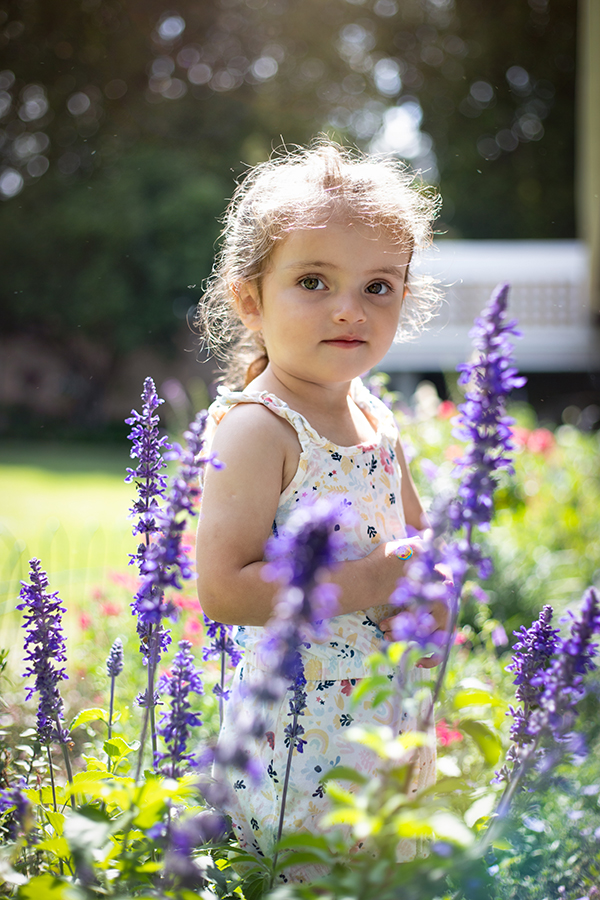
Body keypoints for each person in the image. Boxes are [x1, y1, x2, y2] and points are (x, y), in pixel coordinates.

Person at [195, 140, 448, 881]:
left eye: (378, 286)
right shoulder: (259, 428)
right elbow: (224, 589)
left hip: (385, 723)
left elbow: (420, 550)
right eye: (314, 280)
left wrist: (427, 602)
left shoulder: (376, 419)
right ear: (250, 299)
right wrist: (369, 584)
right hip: (300, 744)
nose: (350, 308)